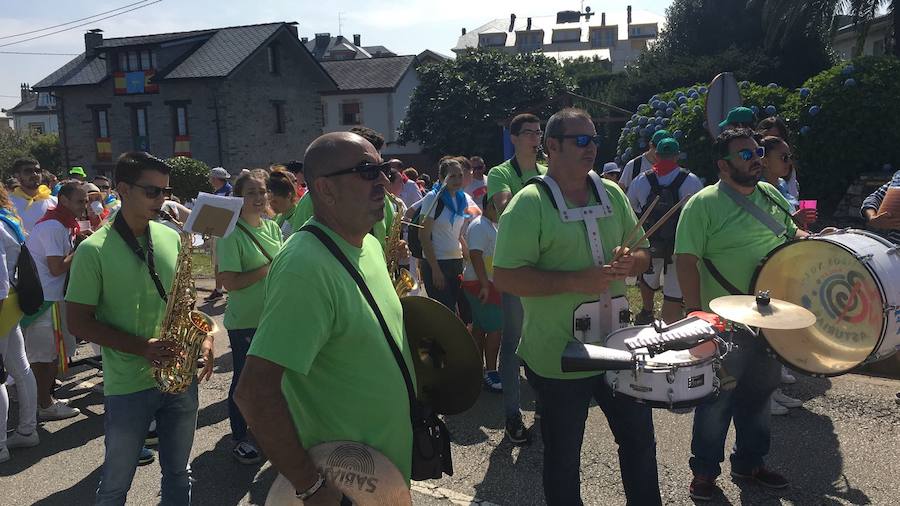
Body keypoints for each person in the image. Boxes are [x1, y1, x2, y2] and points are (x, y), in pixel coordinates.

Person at [235, 132, 415, 501]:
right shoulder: (305, 266)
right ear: (325, 189)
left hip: (383, 475)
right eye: (367, 171)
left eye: (382, 170)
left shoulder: (366, 244)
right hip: (344, 484)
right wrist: (310, 485)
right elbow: (254, 392)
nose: (382, 181)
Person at [493, 108, 660, 506]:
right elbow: (505, 276)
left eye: (594, 140)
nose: (591, 148)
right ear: (552, 146)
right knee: (564, 457)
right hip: (557, 355)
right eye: (580, 140)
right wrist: (574, 281)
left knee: (639, 443)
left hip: (619, 345)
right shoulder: (529, 202)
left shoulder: (613, 192)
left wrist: (630, 260)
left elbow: (644, 253)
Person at [66, 151, 214, 505]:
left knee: (180, 473)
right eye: (152, 192)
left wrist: (206, 336)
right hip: (129, 384)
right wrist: (141, 347)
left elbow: (185, 302)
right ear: (123, 190)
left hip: (179, 377)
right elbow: (77, 322)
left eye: (165, 192)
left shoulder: (170, 237)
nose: (162, 201)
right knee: (116, 483)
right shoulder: (93, 250)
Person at [676, 128, 807, 501]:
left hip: (770, 316)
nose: (756, 159)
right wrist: (695, 315)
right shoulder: (702, 204)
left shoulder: (769, 193)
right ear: (723, 164)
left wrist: (809, 238)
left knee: (760, 394)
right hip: (725, 324)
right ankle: (704, 473)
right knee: (717, 399)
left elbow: (790, 231)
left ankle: (750, 462)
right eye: (745, 154)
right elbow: (686, 260)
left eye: (757, 152)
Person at [487, 113, 546, 445]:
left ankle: (541, 409)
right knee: (512, 345)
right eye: (528, 133)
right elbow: (507, 210)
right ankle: (512, 414)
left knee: (544, 340)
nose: (535, 138)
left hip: (547, 268)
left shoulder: (548, 172)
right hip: (517, 269)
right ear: (513, 137)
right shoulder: (501, 172)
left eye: (539, 132)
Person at [216, 169, 283, 464]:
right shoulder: (231, 233)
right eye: (250, 193)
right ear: (238, 199)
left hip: (274, 317)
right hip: (246, 320)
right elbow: (229, 281)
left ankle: (265, 428)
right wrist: (267, 269)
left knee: (274, 380)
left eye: (261, 192)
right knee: (244, 380)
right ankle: (239, 436)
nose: (258, 198)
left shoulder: (272, 227)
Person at [23, 182, 88, 421]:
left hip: (51, 297)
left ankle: (46, 400)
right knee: (44, 359)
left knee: (51, 356)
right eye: (80, 201)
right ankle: (45, 406)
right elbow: (56, 267)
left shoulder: (61, 223)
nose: (85, 206)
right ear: (64, 201)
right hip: (44, 302)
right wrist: (82, 249)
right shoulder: (53, 226)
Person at [758, 136, 810, 415]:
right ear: (763, 159)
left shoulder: (778, 187)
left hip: (783, 261)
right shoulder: (760, 189)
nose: (789, 163)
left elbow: (790, 225)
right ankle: (765, 396)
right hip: (769, 265)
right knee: (766, 332)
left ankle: (773, 390)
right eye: (784, 157)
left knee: (777, 329)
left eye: (790, 157)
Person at [627, 137, 704, 325]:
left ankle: (646, 311)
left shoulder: (641, 180)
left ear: (657, 155)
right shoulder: (691, 180)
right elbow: (698, 213)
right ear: (677, 156)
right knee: (673, 294)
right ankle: (669, 328)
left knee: (647, 279)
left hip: (650, 242)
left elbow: (631, 207)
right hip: (679, 245)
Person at [0, 188, 40, 463]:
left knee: (9, 373)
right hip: (10, 306)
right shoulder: (6, 219)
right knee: (19, 368)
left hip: (3, 305)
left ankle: (1, 444)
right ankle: (26, 430)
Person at [461, 193, 502, 392]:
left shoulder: (492, 224)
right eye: (499, 205)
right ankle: (491, 372)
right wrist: (485, 285)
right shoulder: (479, 225)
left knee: (480, 327)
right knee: (495, 329)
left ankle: (478, 369)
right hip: (480, 284)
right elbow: (475, 255)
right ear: (489, 206)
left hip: (485, 283)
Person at [419, 158, 468, 312]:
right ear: (441, 178)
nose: (458, 180)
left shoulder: (461, 199)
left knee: (460, 314)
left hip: (456, 263)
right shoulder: (432, 198)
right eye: (452, 176)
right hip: (437, 263)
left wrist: (467, 255)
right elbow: (423, 235)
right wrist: (435, 269)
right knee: (445, 314)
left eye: (460, 175)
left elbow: (457, 234)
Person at [206, 167, 233, 301]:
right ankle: (220, 290)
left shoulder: (224, 193)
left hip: (222, 232)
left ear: (216, 179)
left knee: (221, 262)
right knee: (219, 262)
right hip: (220, 231)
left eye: (211, 178)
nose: (210, 180)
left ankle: (222, 290)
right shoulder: (225, 191)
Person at [9, 158, 57, 233]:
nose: (34, 174)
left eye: (37, 171)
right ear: (17, 175)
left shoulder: (55, 202)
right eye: (28, 171)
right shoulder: (8, 204)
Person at [757, 117, 799, 199]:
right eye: (784, 157)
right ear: (764, 161)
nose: (789, 162)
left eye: (778, 137)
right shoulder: (756, 190)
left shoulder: (782, 184)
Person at [269, 170, 303, 239]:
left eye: (275, 201)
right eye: (270, 201)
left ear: (288, 195)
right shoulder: (276, 218)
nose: (271, 205)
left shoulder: (298, 217)